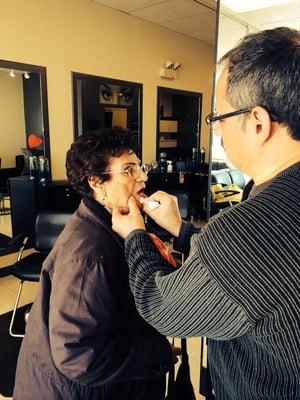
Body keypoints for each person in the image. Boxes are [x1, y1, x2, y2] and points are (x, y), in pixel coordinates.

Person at [112, 27, 300, 400]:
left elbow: (159, 305)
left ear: (258, 123)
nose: (216, 130)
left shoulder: (251, 230)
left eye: (218, 117)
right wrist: (181, 229)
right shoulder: (264, 204)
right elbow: (252, 277)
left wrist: (135, 233)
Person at [13, 128, 174, 400]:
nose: (143, 177)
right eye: (129, 170)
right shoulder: (88, 254)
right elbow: (77, 353)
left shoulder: (111, 225)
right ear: (96, 182)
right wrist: (158, 352)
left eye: (140, 167)